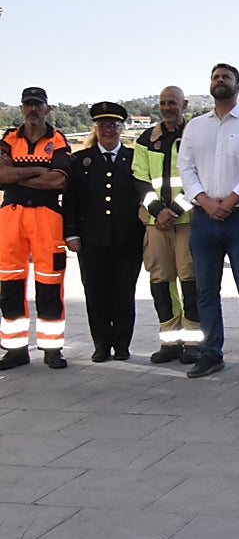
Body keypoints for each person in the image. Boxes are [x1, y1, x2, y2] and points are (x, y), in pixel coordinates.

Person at [178, 63, 239, 380]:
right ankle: (210, 353)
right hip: (204, 218)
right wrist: (204, 200)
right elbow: (186, 170)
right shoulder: (195, 127)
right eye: (216, 77)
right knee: (205, 290)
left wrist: (230, 200)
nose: (220, 81)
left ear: (237, 86)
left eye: (226, 77)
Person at [63, 103, 145, 362]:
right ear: (95, 129)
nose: (108, 130)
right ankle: (101, 343)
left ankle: (122, 344)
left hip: (127, 238)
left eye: (113, 125)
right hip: (92, 240)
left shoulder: (133, 160)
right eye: (103, 126)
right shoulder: (81, 161)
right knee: (96, 293)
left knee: (124, 292)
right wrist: (71, 234)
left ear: (121, 128)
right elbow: (71, 200)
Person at [0, 87, 71, 370]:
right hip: (11, 217)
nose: (33, 110)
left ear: (47, 109)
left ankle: (52, 349)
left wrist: (16, 176)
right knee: (9, 284)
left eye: (37, 105)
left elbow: (58, 181)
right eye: (28, 105)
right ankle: (15, 350)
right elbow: (0, 175)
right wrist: (36, 171)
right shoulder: (8, 138)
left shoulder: (57, 139)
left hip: (47, 217)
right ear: (21, 109)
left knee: (50, 284)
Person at [133, 85, 202, 364]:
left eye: (172, 102)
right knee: (160, 281)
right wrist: (158, 211)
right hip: (155, 223)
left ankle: (194, 342)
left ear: (184, 104)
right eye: (163, 103)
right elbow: (140, 180)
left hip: (186, 220)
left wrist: (173, 210)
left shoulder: (194, 136)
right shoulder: (146, 139)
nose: (167, 107)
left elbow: (200, 176)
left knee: (190, 280)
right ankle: (169, 341)